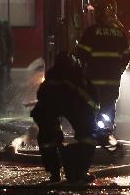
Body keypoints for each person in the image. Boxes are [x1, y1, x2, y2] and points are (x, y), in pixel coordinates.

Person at [30, 53, 100, 183]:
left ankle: (54, 172)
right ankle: (80, 171)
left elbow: (41, 98)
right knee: (87, 136)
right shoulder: (78, 79)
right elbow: (92, 100)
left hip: (53, 109)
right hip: (75, 107)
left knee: (48, 139)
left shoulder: (50, 80)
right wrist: (94, 116)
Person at [74, 0, 130, 146]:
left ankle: (93, 130)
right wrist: (118, 71)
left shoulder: (91, 32)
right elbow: (127, 55)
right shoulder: (119, 33)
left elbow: (81, 54)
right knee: (110, 104)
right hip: (113, 80)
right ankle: (107, 130)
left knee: (92, 104)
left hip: (94, 79)